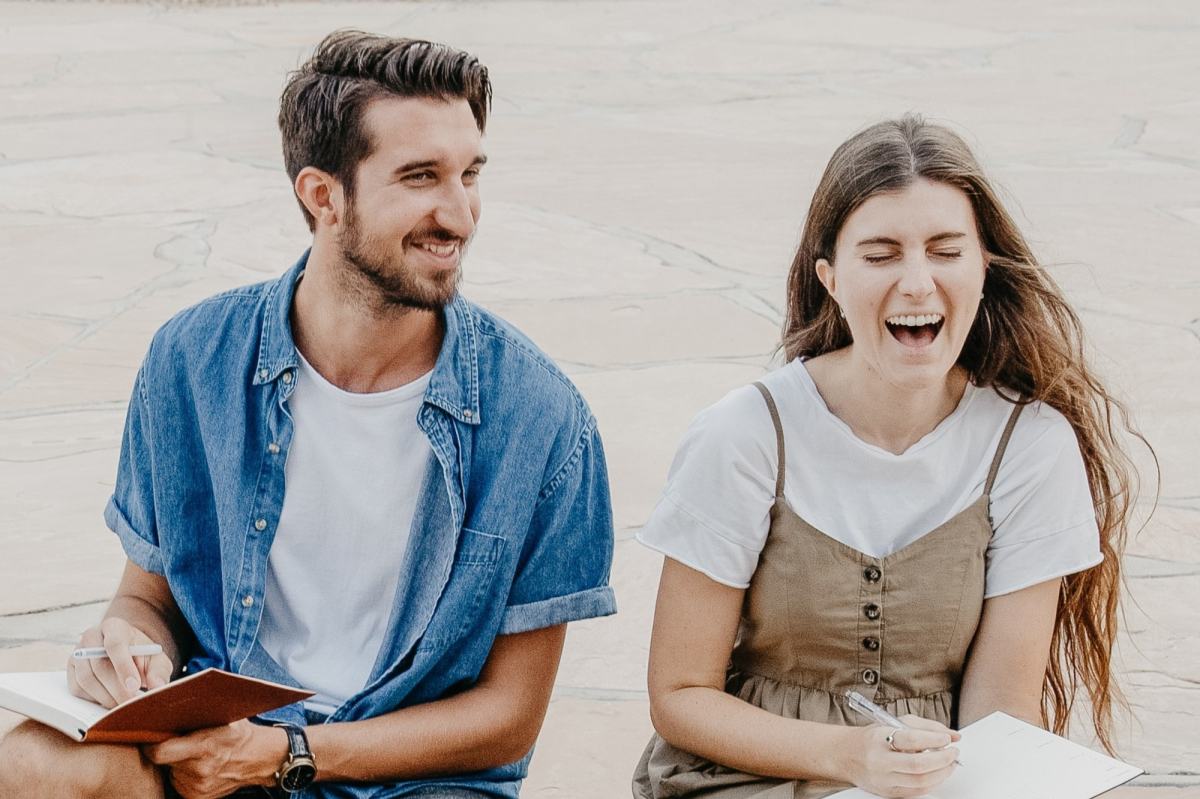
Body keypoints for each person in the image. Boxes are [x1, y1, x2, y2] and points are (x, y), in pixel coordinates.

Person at [0, 30, 616, 799]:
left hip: (409, 775)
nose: (459, 214)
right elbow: (147, 596)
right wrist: (127, 643)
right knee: (33, 762)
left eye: (470, 174)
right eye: (421, 177)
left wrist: (289, 751)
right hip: (220, 737)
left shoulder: (542, 417)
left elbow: (507, 717)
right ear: (322, 195)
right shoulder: (193, 360)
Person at [632, 114, 1144, 799]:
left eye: (945, 250)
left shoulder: (1031, 445)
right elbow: (680, 693)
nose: (916, 282)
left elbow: (1001, 714)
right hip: (741, 780)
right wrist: (851, 756)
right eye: (880, 254)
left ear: (983, 266)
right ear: (832, 278)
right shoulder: (745, 434)